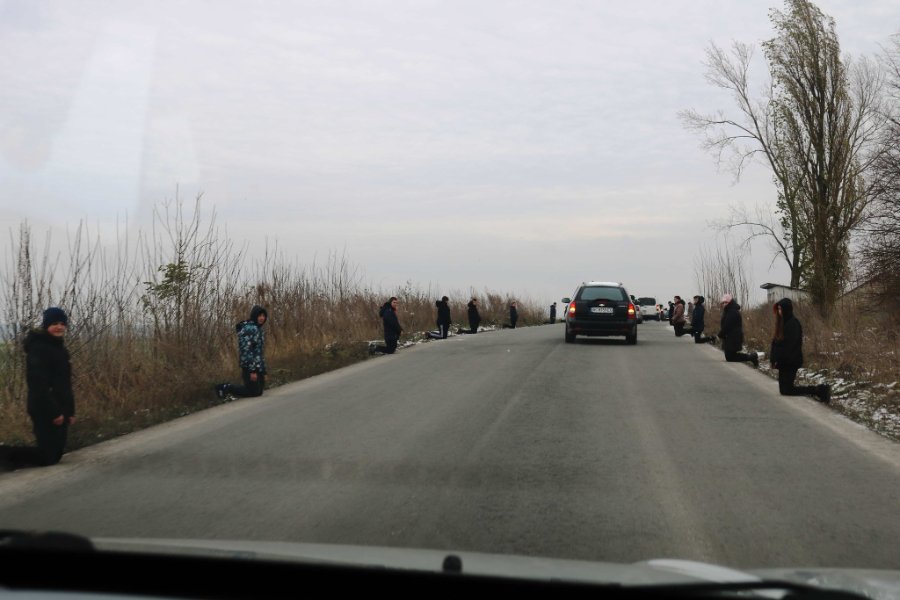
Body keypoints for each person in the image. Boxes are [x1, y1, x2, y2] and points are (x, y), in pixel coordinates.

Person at [4, 307, 76, 469]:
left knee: (55, 455)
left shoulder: (61, 349)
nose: (59, 327)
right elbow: (38, 386)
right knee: (47, 456)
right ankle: (5, 455)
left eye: (62, 323)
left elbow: (65, 384)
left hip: (61, 406)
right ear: (46, 325)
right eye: (54, 324)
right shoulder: (39, 349)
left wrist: (70, 411)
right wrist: (53, 412)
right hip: (43, 406)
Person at [770, 298, 830, 403]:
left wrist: (780, 359)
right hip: (783, 362)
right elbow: (775, 343)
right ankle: (818, 390)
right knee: (784, 390)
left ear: (786, 309)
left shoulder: (793, 324)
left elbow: (790, 346)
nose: (779, 312)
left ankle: (819, 390)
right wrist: (773, 359)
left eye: (780, 309)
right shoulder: (782, 323)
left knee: (787, 390)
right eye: (778, 309)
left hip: (791, 361)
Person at [216, 305, 268, 398]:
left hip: (257, 365)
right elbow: (247, 350)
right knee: (254, 392)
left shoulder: (259, 329)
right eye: (260, 316)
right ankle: (225, 387)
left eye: (263, 316)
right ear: (255, 316)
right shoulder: (249, 329)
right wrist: (252, 370)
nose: (262, 318)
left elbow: (259, 352)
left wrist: (263, 371)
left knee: (259, 392)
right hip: (249, 365)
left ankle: (233, 391)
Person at [717, 293, 758, 367]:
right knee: (730, 356)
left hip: (733, 337)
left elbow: (727, 326)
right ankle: (751, 357)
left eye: (726, 302)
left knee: (730, 357)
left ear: (730, 302)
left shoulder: (732, 311)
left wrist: (720, 334)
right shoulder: (728, 310)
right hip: (730, 337)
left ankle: (752, 357)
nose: (724, 304)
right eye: (723, 303)